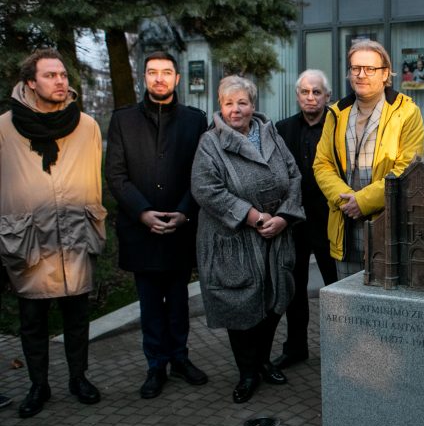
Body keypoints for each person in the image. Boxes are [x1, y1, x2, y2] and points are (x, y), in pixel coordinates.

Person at [0, 49, 105, 418]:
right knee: (33, 322)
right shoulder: (4, 128)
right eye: (50, 76)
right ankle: (38, 386)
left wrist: (95, 221)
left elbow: (95, 180)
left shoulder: (87, 126)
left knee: (77, 317)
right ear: (30, 82)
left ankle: (79, 378)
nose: (60, 81)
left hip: (76, 236)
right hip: (29, 241)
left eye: (63, 75)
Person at [191, 75, 304, 403]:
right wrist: (253, 217)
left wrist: (285, 217)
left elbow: (294, 175)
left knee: (273, 301)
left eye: (242, 102)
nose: (235, 109)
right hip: (234, 239)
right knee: (239, 305)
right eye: (229, 103)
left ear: (253, 105)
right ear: (220, 106)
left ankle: (263, 360)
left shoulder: (271, 134)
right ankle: (247, 372)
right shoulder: (210, 144)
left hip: (276, 235)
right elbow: (206, 190)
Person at [106, 51, 209, 399]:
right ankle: (155, 365)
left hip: (181, 227)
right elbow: (116, 176)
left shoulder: (195, 120)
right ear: (144, 78)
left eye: (167, 72)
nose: (160, 78)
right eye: (153, 72)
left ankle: (180, 357)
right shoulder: (122, 121)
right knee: (149, 303)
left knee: (178, 301)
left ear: (178, 79)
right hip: (141, 230)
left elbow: (202, 172)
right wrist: (143, 212)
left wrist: (184, 211)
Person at [314, 40, 424, 279]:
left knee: (387, 305)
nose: (361, 75)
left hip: (388, 229)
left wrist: (362, 201)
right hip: (345, 230)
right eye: (355, 68)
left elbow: (408, 170)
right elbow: (322, 164)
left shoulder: (406, 112)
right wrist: (344, 200)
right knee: (347, 307)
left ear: (385, 73)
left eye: (370, 69)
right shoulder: (336, 113)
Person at [272, 69, 339, 369]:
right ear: (297, 95)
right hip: (294, 223)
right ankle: (296, 347)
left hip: (331, 221)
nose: (310, 98)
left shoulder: (339, 127)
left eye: (316, 92)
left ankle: (342, 353)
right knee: (294, 290)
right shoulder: (282, 129)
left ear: (327, 96)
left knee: (336, 290)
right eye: (304, 92)